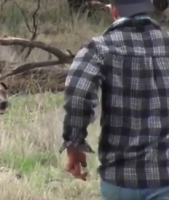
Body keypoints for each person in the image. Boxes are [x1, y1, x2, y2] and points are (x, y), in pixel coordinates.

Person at [60, 0, 169, 199]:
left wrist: (74, 144)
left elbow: (77, 94)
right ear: (148, 8)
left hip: (119, 180)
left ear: (114, 11)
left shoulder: (100, 48)